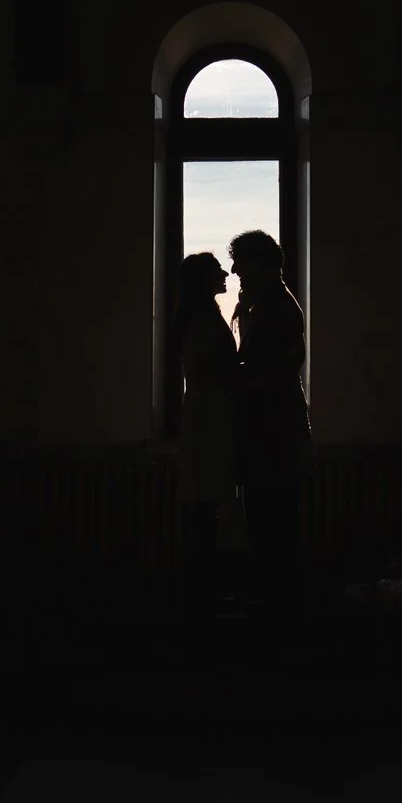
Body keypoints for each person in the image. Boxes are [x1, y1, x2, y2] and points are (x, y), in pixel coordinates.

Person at [228, 230, 311, 612]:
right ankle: (278, 597)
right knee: (272, 516)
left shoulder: (275, 307)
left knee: (270, 518)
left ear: (260, 264)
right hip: (274, 428)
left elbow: (264, 367)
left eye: (241, 262)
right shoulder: (274, 303)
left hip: (272, 430)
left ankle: (277, 600)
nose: (234, 270)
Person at [175, 252, 238, 617]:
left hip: (207, 419)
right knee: (204, 509)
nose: (226, 272)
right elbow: (219, 371)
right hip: (209, 422)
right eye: (217, 269)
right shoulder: (203, 323)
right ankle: (203, 596)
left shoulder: (196, 320)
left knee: (203, 508)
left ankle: (202, 593)